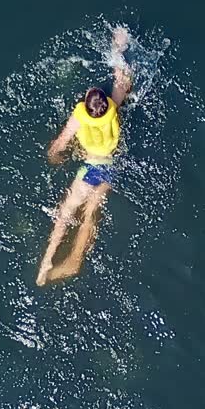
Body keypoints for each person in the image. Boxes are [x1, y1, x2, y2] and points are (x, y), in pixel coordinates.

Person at [36, 27, 133, 286]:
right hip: (110, 166)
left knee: (65, 213)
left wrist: (53, 156)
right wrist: (119, 48)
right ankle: (75, 259)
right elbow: (122, 78)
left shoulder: (78, 119)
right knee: (90, 214)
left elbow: (58, 146)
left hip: (90, 168)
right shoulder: (114, 106)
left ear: (87, 107)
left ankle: (48, 259)